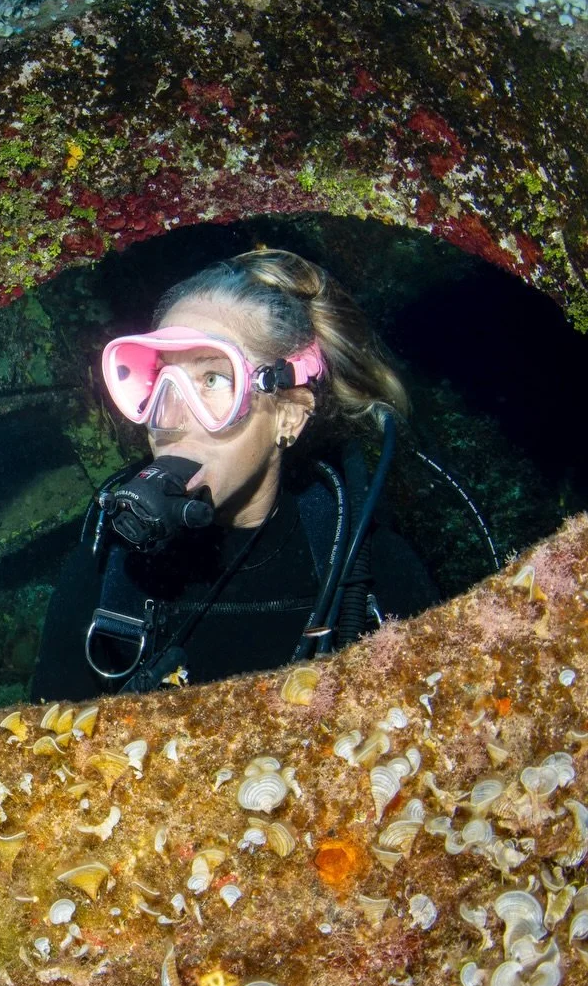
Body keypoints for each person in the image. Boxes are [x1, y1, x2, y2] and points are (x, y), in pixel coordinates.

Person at [32, 248, 439, 700]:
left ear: (290, 415)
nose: (171, 417)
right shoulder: (102, 576)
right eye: (162, 382)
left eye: (212, 380)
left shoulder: (373, 572)